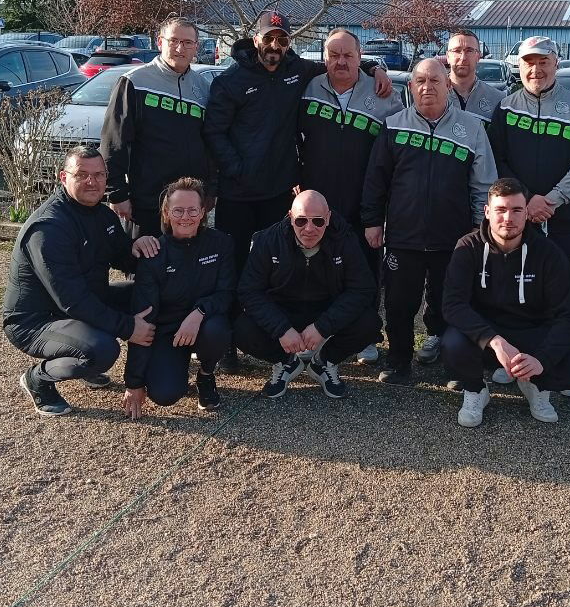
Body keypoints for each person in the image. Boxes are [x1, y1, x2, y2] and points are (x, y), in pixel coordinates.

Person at [205, 10, 392, 275]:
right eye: (269, 38)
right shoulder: (230, 81)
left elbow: (338, 64)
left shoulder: (297, 70)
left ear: (288, 43)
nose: (275, 45)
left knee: (275, 262)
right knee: (233, 262)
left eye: (282, 40)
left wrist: (375, 69)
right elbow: (214, 133)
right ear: (256, 39)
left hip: (278, 191)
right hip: (238, 192)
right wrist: (237, 170)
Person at [361, 58, 498, 383]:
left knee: (450, 303)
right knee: (398, 303)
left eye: (435, 81)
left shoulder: (472, 128)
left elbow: (483, 184)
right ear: (411, 87)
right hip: (403, 237)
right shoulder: (394, 125)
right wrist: (372, 221)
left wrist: (479, 230)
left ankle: (455, 365)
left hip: (454, 239)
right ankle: (399, 361)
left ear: (448, 85)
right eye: (420, 81)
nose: (427, 87)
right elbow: (376, 180)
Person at [4, 146, 159, 417]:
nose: (92, 181)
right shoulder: (49, 228)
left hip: (83, 303)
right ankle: (38, 378)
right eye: (82, 174)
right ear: (63, 177)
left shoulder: (103, 215)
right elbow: (72, 300)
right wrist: (128, 327)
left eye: (99, 175)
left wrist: (139, 247)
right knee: (102, 349)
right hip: (36, 321)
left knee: (147, 296)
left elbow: (123, 256)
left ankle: (148, 367)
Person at [442, 178, 570, 427]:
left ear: (527, 213)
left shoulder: (548, 253)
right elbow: (453, 305)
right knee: (452, 344)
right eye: (501, 210)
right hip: (489, 334)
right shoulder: (468, 247)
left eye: (516, 210)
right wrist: (494, 340)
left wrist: (542, 360)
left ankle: (536, 384)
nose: (508, 218)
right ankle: (475, 389)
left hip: (533, 332)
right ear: (487, 211)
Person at [298, 27, 403, 364]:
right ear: (324, 57)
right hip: (317, 200)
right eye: (334, 55)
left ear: (360, 58)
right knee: (317, 267)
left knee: (364, 269)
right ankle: (319, 331)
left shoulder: (385, 95)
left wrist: (376, 69)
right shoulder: (307, 87)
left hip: (364, 201)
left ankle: (365, 336)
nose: (341, 61)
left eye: (348, 55)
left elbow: (394, 156)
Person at [234, 190, 381, 400]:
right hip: (283, 311)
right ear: (290, 217)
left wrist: (323, 327)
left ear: (328, 218)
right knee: (241, 329)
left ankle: (323, 362)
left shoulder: (345, 239)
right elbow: (249, 291)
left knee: (369, 323)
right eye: (301, 220)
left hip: (326, 310)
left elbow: (362, 289)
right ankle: (286, 361)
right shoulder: (268, 240)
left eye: (318, 221)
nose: (309, 228)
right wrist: (281, 329)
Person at [488, 36, 570, 300]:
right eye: (529, 63)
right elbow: (496, 159)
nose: (535, 70)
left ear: (556, 64)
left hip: (564, 218)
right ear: (519, 67)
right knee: (516, 290)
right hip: (517, 219)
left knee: (566, 291)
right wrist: (525, 200)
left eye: (543, 62)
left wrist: (551, 200)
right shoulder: (505, 107)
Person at [122, 178, 235, 418]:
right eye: (178, 210)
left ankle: (205, 374)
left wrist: (199, 312)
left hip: (204, 325)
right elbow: (143, 319)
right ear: (166, 213)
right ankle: (176, 365)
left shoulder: (221, 244)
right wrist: (134, 382)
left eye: (193, 210)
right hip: (168, 332)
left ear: (202, 212)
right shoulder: (154, 253)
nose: (186, 217)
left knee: (217, 330)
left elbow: (227, 293)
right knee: (165, 395)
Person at [101, 16, 215, 238]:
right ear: (160, 42)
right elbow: (115, 141)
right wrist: (117, 193)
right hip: (147, 202)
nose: (180, 48)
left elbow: (210, 143)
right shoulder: (134, 82)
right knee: (147, 258)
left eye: (187, 42)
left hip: (190, 204)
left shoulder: (203, 88)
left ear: (196, 47)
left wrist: (210, 190)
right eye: (174, 41)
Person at [445, 29, 504, 125]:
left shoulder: (497, 99)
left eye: (469, 51)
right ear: (448, 56)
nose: (463, 58)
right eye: (457, 51)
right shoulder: (434, 94)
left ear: (478, 56)